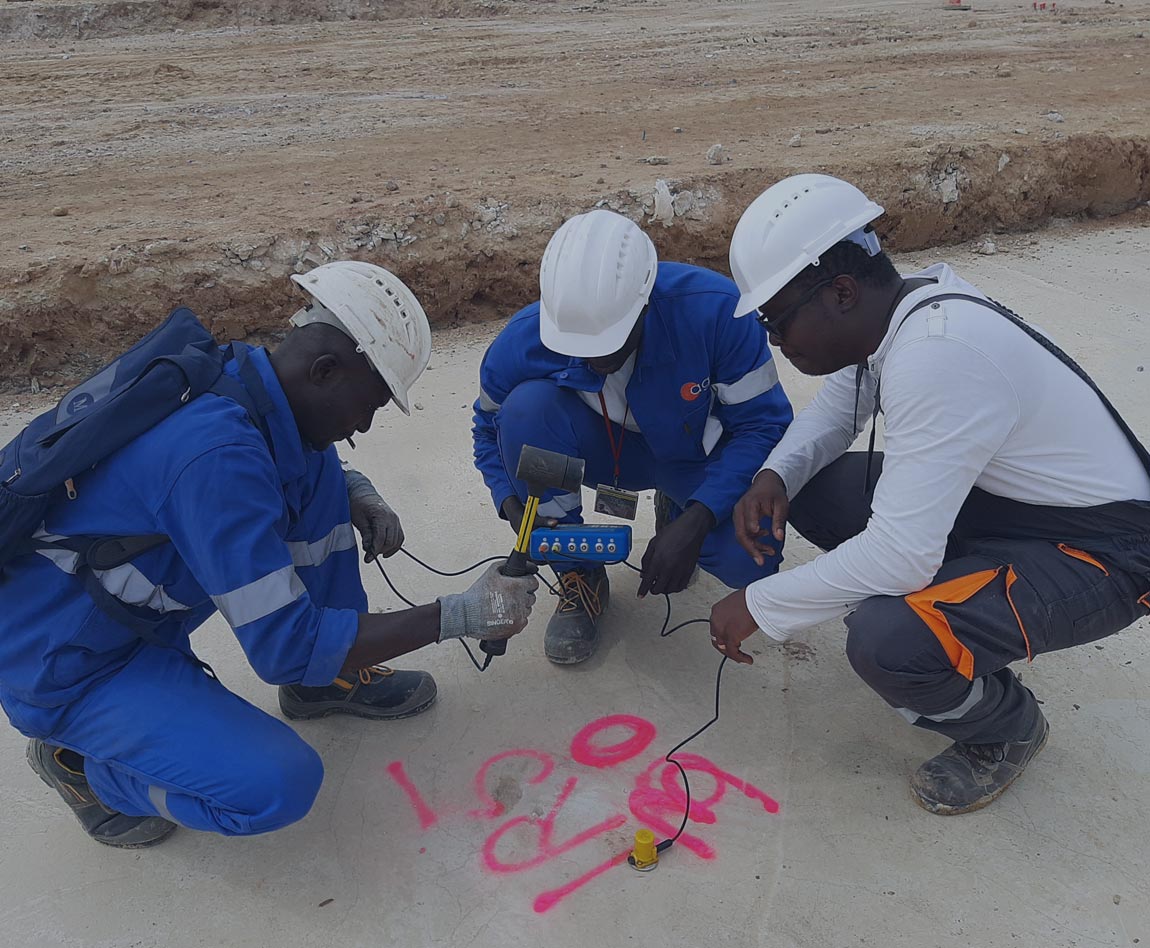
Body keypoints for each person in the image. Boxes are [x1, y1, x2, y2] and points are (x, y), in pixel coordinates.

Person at [0, 261, 539, 848]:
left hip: (121, 624)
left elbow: (277, 473)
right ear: (326, 369)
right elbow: (286, 648)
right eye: (371, 406)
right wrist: (458, 615)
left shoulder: (241, 385)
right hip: (70, 663)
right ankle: (86, 772)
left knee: (322, 468)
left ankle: (326, 682)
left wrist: (352, 488)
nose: (363, 425)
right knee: (277, 785)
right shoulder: (215, 455)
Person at [709, 173, 1150, 814]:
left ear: (839, 292)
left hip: (1107, 554)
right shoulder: (904, 312)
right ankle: (965, 619)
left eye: (777, 321)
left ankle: (1006, 727)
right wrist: (773, 476)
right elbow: (838, 413)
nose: (777, 342)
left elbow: (899, 558)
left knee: (887, 639)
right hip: (1026, 514)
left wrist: (760, 604)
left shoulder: (937, 356)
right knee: (815, 491)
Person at [473, 209, 793, 665]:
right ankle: (580, 576)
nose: (594, 358)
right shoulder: (524, 340)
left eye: (609, 342)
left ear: (644, 302)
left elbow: (763, 425)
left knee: (752, 558)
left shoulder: (716, 311)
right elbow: (487, 429)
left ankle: (679, 502)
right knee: (526, 411)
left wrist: (700, 516)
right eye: (577, 346)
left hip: (692, 456)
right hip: (602, 452)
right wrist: (509, 497)